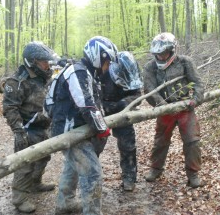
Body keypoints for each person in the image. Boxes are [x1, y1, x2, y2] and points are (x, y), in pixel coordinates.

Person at [44, 36, 116, 215]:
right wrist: (102, 129)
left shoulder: (88, 72)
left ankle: (65, 203)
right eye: (107, 61)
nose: (107, 67)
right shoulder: (78, 71)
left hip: (77, 129)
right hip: (69, 131)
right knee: (92, 173)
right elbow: (86, 104)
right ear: (98, 56)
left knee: (73, 166)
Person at [143, 32, 205, 188]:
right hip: (164, 109)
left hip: (184, 106)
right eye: (158, 54)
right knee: (160, 142)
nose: (161, 57)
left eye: (164, 53)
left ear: (171, 50)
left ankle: (193, 174)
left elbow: (197, 82)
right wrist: (161, 104)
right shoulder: (150, 67)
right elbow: (149, 89)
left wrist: (195, 100)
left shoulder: (185, 62)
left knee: (192, 141)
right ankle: (156, 169)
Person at [3, 41, 57, 213]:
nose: (47, 65)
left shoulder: (44, 77)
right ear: (32, 61)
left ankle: (35, 183)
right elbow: (10, 108)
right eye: (43, 61)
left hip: (43, 125)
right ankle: (19, 198)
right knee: (24, 163)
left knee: (43, 157)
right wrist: (19, 131)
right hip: (26, 128)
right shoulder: (16, 82)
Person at [96, 51, 143, 191]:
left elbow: (137, 95)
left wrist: (125, 103)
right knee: (94, 146)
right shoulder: (100, 71)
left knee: (128, 145)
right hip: (101, 112)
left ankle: (129, 177)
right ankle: (91, 178)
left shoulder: (131, 70)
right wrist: (103, 107)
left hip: (122, 112)